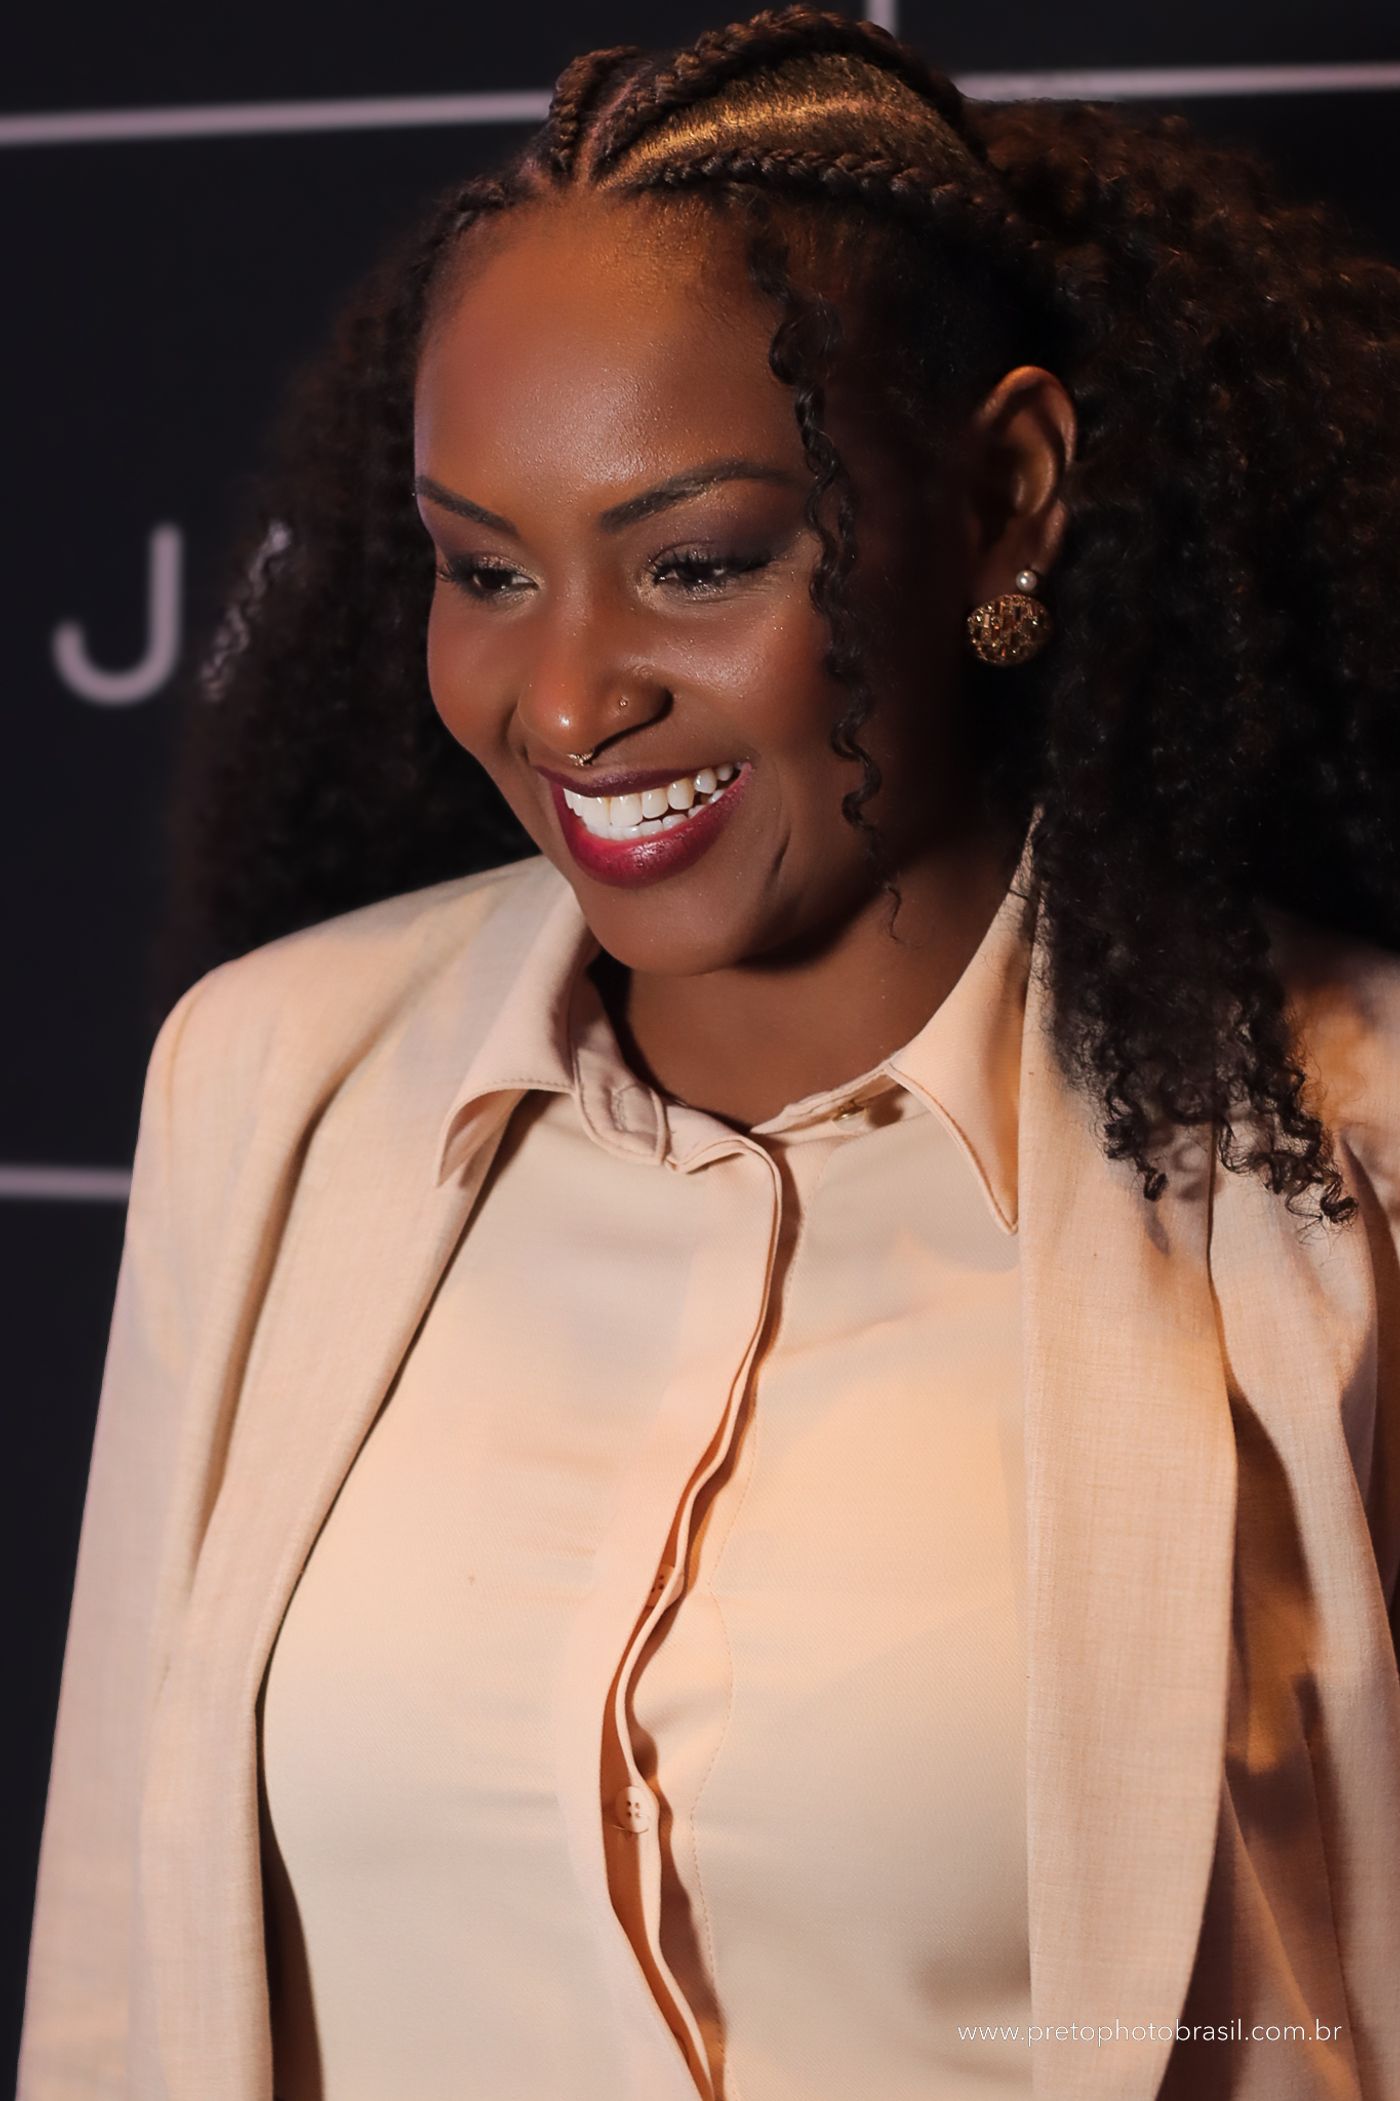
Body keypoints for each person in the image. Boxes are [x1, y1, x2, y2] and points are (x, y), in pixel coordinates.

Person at [18, 8, 1400, 2100]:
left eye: (698, 562)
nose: (569, 701)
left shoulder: (1343, 1148)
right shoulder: (276, 1085)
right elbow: (122, 1980)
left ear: (1005, 503)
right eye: (485, 570)